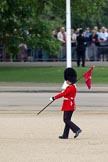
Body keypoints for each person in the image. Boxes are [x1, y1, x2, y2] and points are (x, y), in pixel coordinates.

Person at [50, 68, 82, 139]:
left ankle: (76, 129)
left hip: (68, 105)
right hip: (71, 104)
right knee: (68, 120)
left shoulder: (69, 88)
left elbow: (62, 94)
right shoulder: (73, 87)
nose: (66, 81)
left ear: (70, 80)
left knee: (66, 120)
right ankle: (65, 135)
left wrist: (54, 98)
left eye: (67, 80)